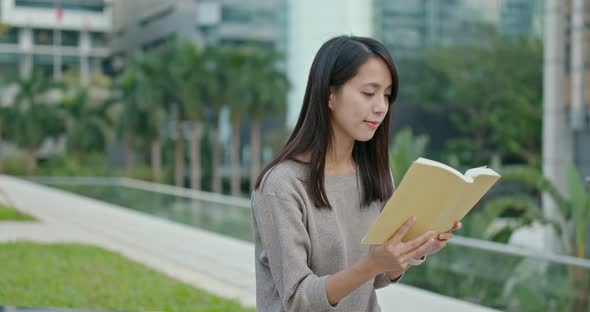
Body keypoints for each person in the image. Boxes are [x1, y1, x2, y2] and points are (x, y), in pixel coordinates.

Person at [251, 35, 462, 312]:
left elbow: (374, 279)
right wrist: (373, 263)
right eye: (368, 93)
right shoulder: (282, 185)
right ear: (329, 94)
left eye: (386, 95)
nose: (380, 107)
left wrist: (411, 252)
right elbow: (297, 300)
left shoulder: (375, 173)